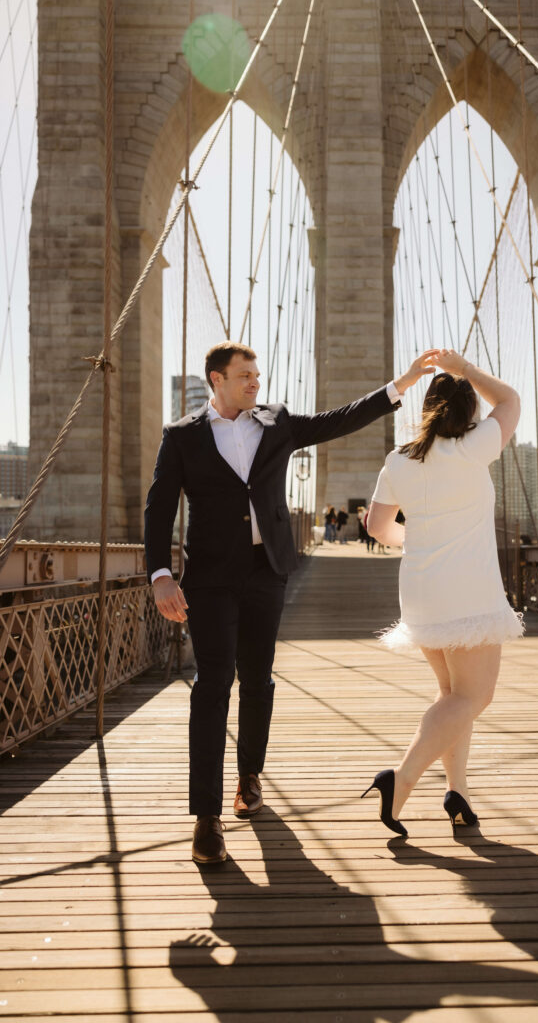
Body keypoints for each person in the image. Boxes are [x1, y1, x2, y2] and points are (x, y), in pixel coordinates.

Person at [144, 340, 438, 864]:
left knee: (257, 679)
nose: (255, 382)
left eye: (258, 375)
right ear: (216, 379)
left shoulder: (276, 423)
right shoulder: (182, 437)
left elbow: (338, 420)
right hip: (210, 578)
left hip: (268, 571)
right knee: (212, 685)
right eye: (245, 376)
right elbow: (159, 507)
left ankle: (249, 777)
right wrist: (161, 575)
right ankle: (206, 819)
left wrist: (401, 386)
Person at [361, 348, 523, 839]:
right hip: (469, 590)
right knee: (476, 695)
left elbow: (376, 526)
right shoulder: (477, 445)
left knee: (455, 695)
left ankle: (458, 792)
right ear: (469, 411)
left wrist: (419, 539)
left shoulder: (399, 460)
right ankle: (401, 778)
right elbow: (512, 399)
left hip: (422, 589)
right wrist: (466, 369)